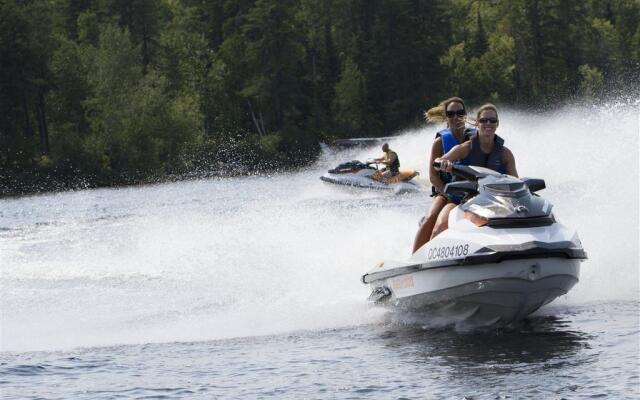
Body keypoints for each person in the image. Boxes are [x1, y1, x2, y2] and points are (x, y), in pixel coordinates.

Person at [430, 103, 518, 239]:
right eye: (483, 120)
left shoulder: (506, 154)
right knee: (440, 226)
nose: (488, 123)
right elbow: (437, 163)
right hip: (461, 201)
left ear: (497, 124)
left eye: (492, 120)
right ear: (477, 123)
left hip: (493, 202)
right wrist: (443, 162)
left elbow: (515, 183)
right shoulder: (464, 148)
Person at [411, 97, 476, 253]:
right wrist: (448, 194)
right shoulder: (440, 142)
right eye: (451, 114)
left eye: (460, 113)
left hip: (473, 192)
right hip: (446, 191)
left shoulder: (476, 138)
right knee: (430, 218)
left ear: (465, 115)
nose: (456, 117)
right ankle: (416, 257)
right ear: (446, 117)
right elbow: (433, 176)